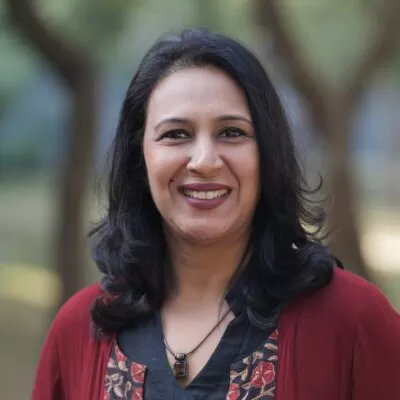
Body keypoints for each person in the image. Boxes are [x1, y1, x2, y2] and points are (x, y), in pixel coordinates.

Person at [32, 28, 400, 400]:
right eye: (176, 134)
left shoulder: (353, 321)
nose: (205, 161)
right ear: (139, 159)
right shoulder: (78, 330)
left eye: (231, 132)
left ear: (268, 154)